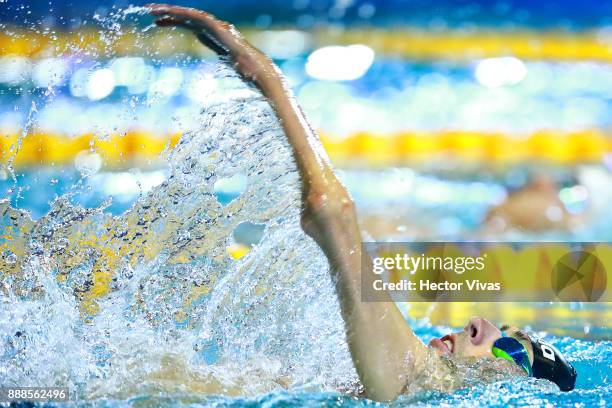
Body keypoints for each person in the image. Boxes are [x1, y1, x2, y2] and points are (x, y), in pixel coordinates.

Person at [146, 4, 577, 401]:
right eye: (504, 330)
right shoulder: (415, 386)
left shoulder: (411, 375)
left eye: (505, 347)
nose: (481, 325)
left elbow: (330, 211)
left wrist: (263, 72)